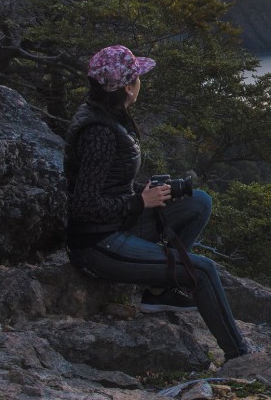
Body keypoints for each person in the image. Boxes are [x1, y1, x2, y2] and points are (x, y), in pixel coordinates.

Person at [63, 45, 252, 360]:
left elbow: (107, 183)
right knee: (203, 271)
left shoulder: (106, 115)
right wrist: (140, 202)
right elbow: (83, 205)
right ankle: (240, 356)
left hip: (116, 224)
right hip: (98, 244)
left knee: (198, 202)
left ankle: (159, 293)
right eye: (137, 77)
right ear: (127, 86)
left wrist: (143, 191)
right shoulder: (100, 132)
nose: (141, 83)